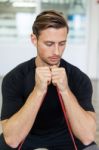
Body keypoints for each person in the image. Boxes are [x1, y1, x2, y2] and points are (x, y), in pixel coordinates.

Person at [0, 10, 97, 150]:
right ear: (34, 40)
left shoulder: (79, 78)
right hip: (25, 136)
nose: (57, 52)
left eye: (62, 43)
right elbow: (12, 139)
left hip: (67, 137)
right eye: (49, 44)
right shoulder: (14, 78)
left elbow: (87, 136)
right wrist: (38, 91)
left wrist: (65, 90)